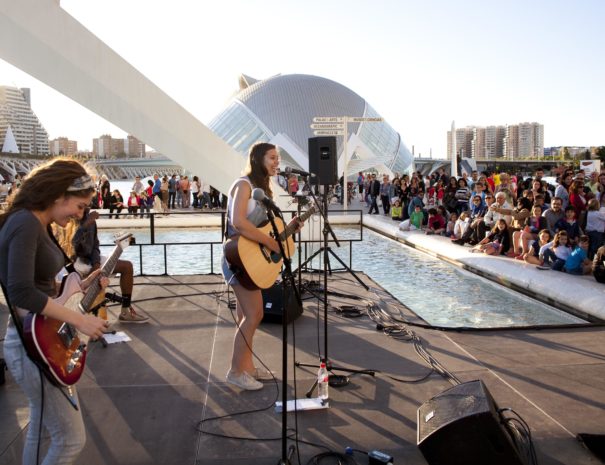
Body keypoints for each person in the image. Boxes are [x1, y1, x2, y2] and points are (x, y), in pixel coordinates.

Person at [0, 158, 109, 465]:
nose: (81, 213)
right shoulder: (25, 224)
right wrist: (81, 320)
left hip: (39, 340)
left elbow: (49, 287)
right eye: (79, 205)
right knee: (71, 440)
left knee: (39, 427)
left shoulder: (37, 223)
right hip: (31, 345)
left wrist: (86, 282)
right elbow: (20, 291)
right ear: (60, 193)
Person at [222, 142, 303, 390]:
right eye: (272, 157)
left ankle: (247, 368)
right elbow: (237, 222)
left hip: (249, 259)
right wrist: (271, 241)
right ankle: (236, 372)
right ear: (258, 159)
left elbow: (261, 230)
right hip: (237, 259)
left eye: (278, 157)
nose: (277, 161)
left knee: (247, 316)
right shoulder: (243, 185)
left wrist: (287, 232)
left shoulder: (262, 190)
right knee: (255, 314)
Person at [72, 208, 149, 324]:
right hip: (72, 260)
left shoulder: (89, 216)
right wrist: (86, 224)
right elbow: (70, 243)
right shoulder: (67, 216)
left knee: (127, 266)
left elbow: (95, 245)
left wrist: (96, 263)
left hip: (89, 260)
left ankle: (125, 311)